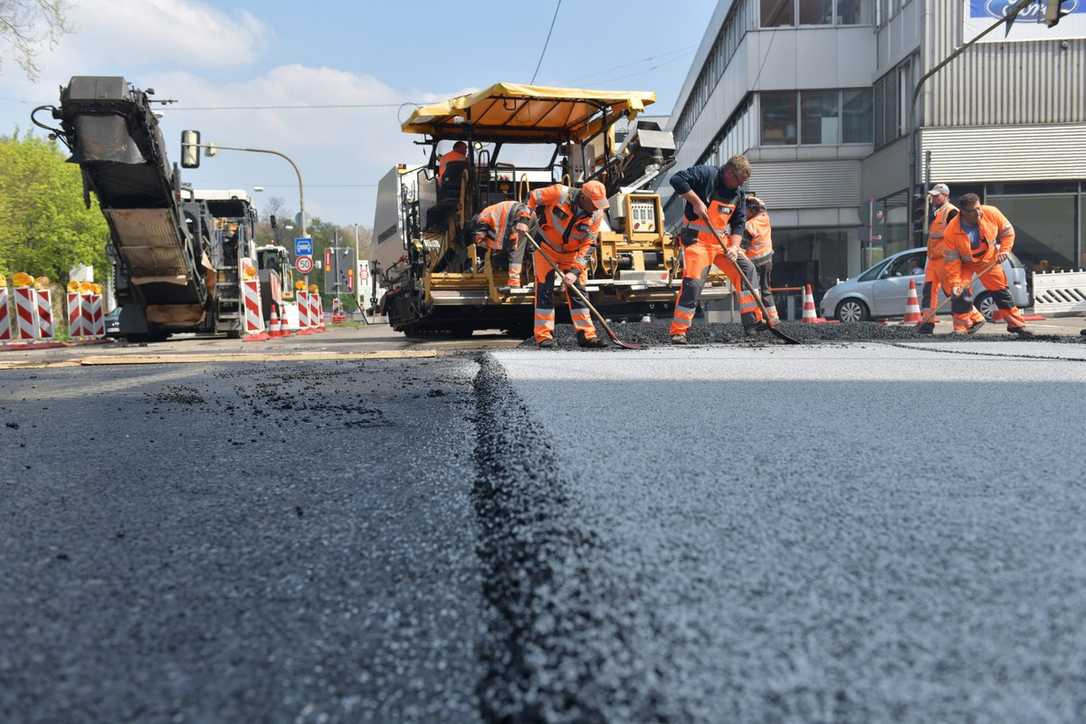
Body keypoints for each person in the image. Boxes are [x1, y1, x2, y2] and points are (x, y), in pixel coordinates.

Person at [668, 155, 767, 345]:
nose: (740, 185)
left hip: (721, 242)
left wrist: (734, 247)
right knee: (693, 284)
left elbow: (739, 223)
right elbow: (677, 179)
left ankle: (752, 322)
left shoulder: (738, 194)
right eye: (738, 180)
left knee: (747, 269)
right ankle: (679, 331)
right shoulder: (706, 174)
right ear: (729, 172)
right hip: (696, 240)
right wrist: (696, 202)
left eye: (743, 182)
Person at [526, 180, 609, 348]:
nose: (596, 207)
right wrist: (524, 220)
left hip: (572, 254)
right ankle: (544, 336)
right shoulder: (559, 193)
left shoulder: (597, 215)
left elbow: (589, 245)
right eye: (594, 203)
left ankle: (587, 335)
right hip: (545, 248)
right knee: (545, 290)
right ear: (584, 197)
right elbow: (532, 197)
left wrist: (574, 272)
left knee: (579, 293)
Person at [942, 193, 1032, 336]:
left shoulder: (991, 213)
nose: (978, 212)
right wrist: (955, 283)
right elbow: (952, 262)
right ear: (963, 212)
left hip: (988, 260)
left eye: (979, 208)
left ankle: (1016, 325)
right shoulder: (951, 232)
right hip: (965, 263)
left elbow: (1008, 233)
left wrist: (1004, 250)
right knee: (960, 292)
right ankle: (961, 328)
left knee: (1001, 292)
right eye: (973, 210)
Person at [916, 183, 983, 334]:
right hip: (933, 260)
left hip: (945, 259)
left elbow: (959, 234)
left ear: (945, 196)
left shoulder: (952, 212)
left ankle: (975, 318)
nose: (933, 198)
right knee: (928, 292)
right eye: (932, 196)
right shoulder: (936, 212)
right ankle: (927, 323)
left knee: (952, 292)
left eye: (936, 196)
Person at [471, 200, 532, 288]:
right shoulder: (490, 216)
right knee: (531, 250)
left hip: (521, 216)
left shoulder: (482, 218)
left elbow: (479, 237)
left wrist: (523, 220)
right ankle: (534, 280)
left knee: (515, 251)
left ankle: (514, 284)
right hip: (525, 217)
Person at [742, 195, 779, 325]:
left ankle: (756, 319)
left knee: (753, 292)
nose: (743, 212)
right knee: (766, 290)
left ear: (751, 210)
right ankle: (773, 317)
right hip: (767, 260)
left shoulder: (749, 225)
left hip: (754, 264)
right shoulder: (765, 218)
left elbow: (741, 248)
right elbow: (762, 207)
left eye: (745, 209)